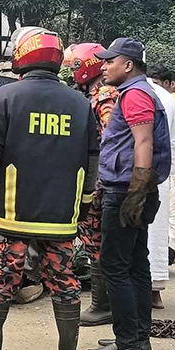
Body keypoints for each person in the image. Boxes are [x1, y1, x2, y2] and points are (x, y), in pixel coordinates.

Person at [0, 27, 97, 350]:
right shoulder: (80, 103)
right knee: (65, 282)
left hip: (13, 213)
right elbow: (92, 160)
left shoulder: (5, 97)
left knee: (1, 280)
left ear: (22, 56)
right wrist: (84, 205)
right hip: (61, 217)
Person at [84, 38, 170, 350]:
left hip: (125, 191)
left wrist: (137, 189)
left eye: (110, 61)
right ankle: (139, 337)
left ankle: (126, 344)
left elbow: (143, 141)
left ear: (128, 65)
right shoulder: (139, 92)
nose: (104, 67)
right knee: (136, 263)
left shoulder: (134, 95)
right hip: (131, 188)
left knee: (115, 266)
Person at [65, 42, 117, 326]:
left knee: (97, 240)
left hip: (99, 180)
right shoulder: (94, 95)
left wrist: (98, 181)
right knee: (93, 239)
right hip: (97, 177)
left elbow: (110, 137)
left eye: (74, 65)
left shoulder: (105, 96)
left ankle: (102, 304)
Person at [147, 80, 175, 310]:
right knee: (156, 234)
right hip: (162, 173)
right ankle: (154, 290)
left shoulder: (136, 94)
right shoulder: (165, 97)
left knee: (148, 235)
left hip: (143, 175)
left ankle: (149, 292)